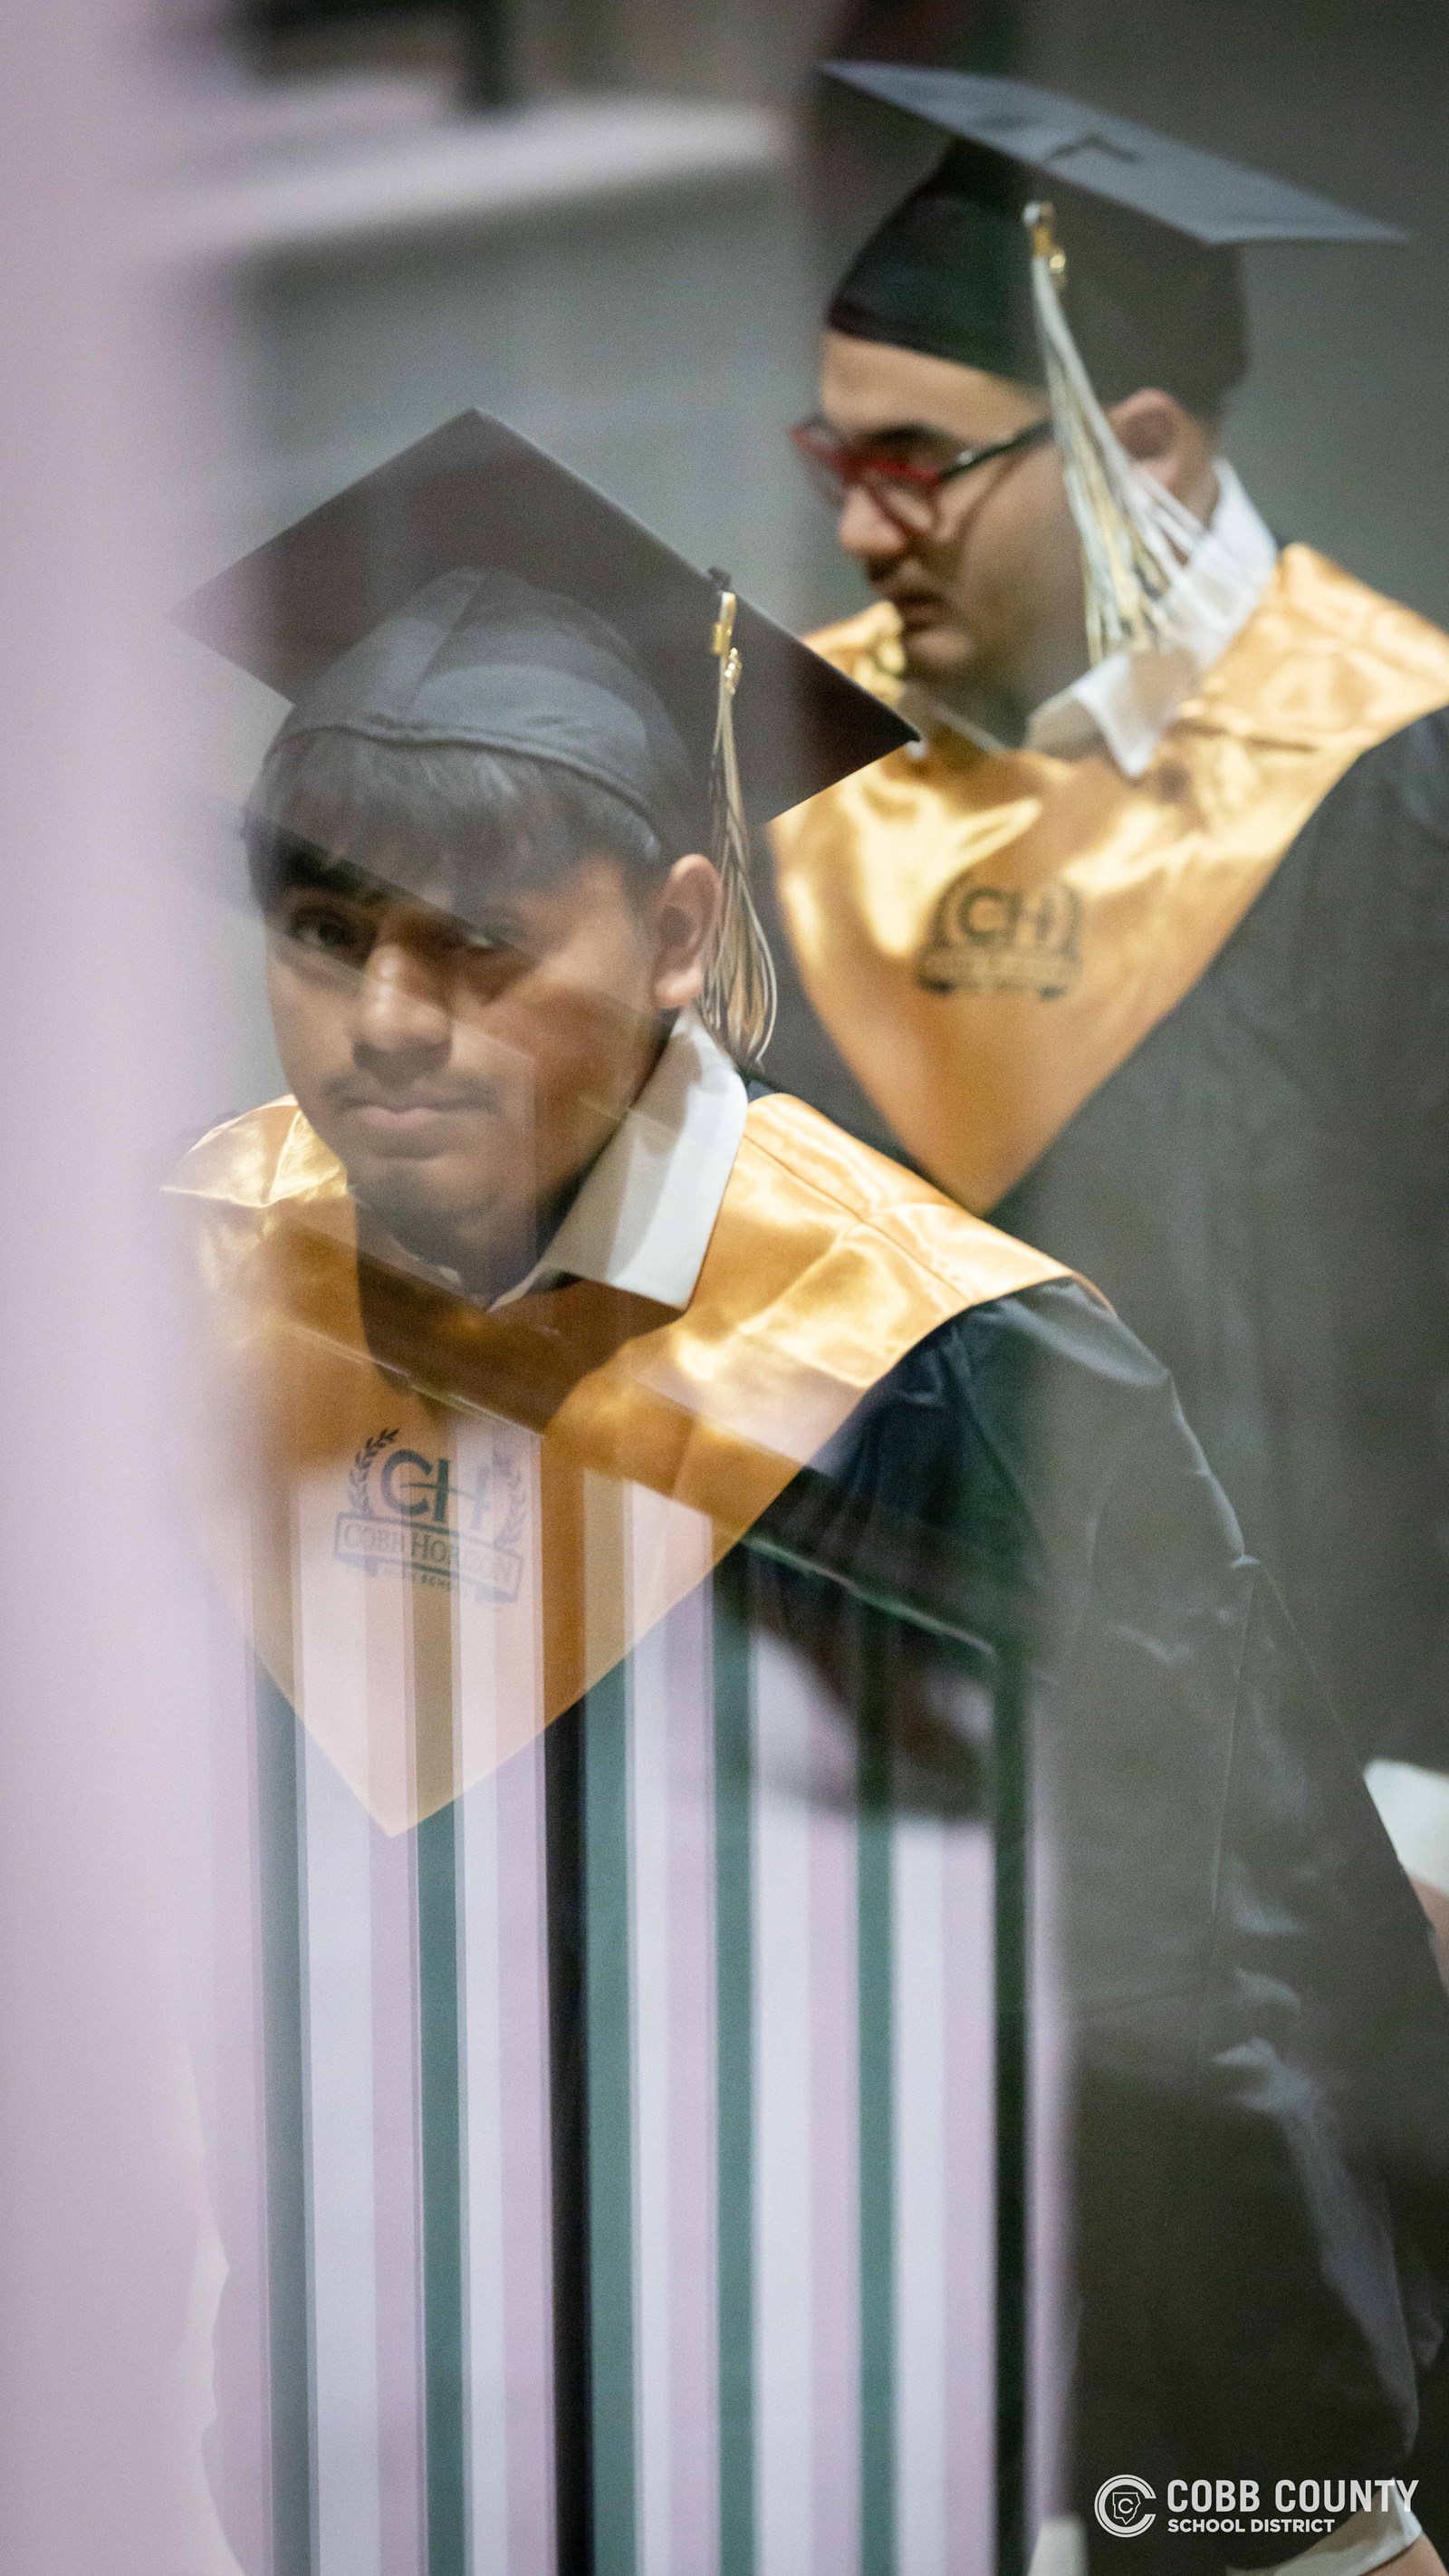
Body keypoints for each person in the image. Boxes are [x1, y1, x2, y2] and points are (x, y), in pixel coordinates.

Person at [169, 414, 1449, 2576]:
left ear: (681, 934)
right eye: (321, 934)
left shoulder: (947, 1368)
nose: (383, 1024)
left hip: (817, 2404)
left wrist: (1292, 2514)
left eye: (477, 946)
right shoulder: (195, 1272)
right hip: (370, 2396)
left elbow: (1193, 2013)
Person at [764, 61, 1449, 1968]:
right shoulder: (845, 770)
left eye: (914, 463)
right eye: (837, 463)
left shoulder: (1395, 785)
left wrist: (1427, 1800)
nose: (859, 530)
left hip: (1372, 1837)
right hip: (1041, 1804)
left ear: (1136, 448)